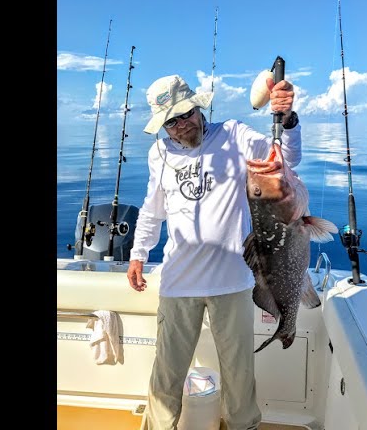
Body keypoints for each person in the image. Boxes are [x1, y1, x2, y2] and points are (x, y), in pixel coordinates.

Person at [127, 73, 300, 430]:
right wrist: (138, 253)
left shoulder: (234, 134)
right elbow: (151, 209)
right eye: (170, 121)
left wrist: (288, 120)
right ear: (162, 126)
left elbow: (287, 158)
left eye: (185, 113)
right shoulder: (158, 152)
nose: (181, 125)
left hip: (232, 281)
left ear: (197, 106)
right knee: (167, 375)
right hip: (178, 282)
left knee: (239, 376)